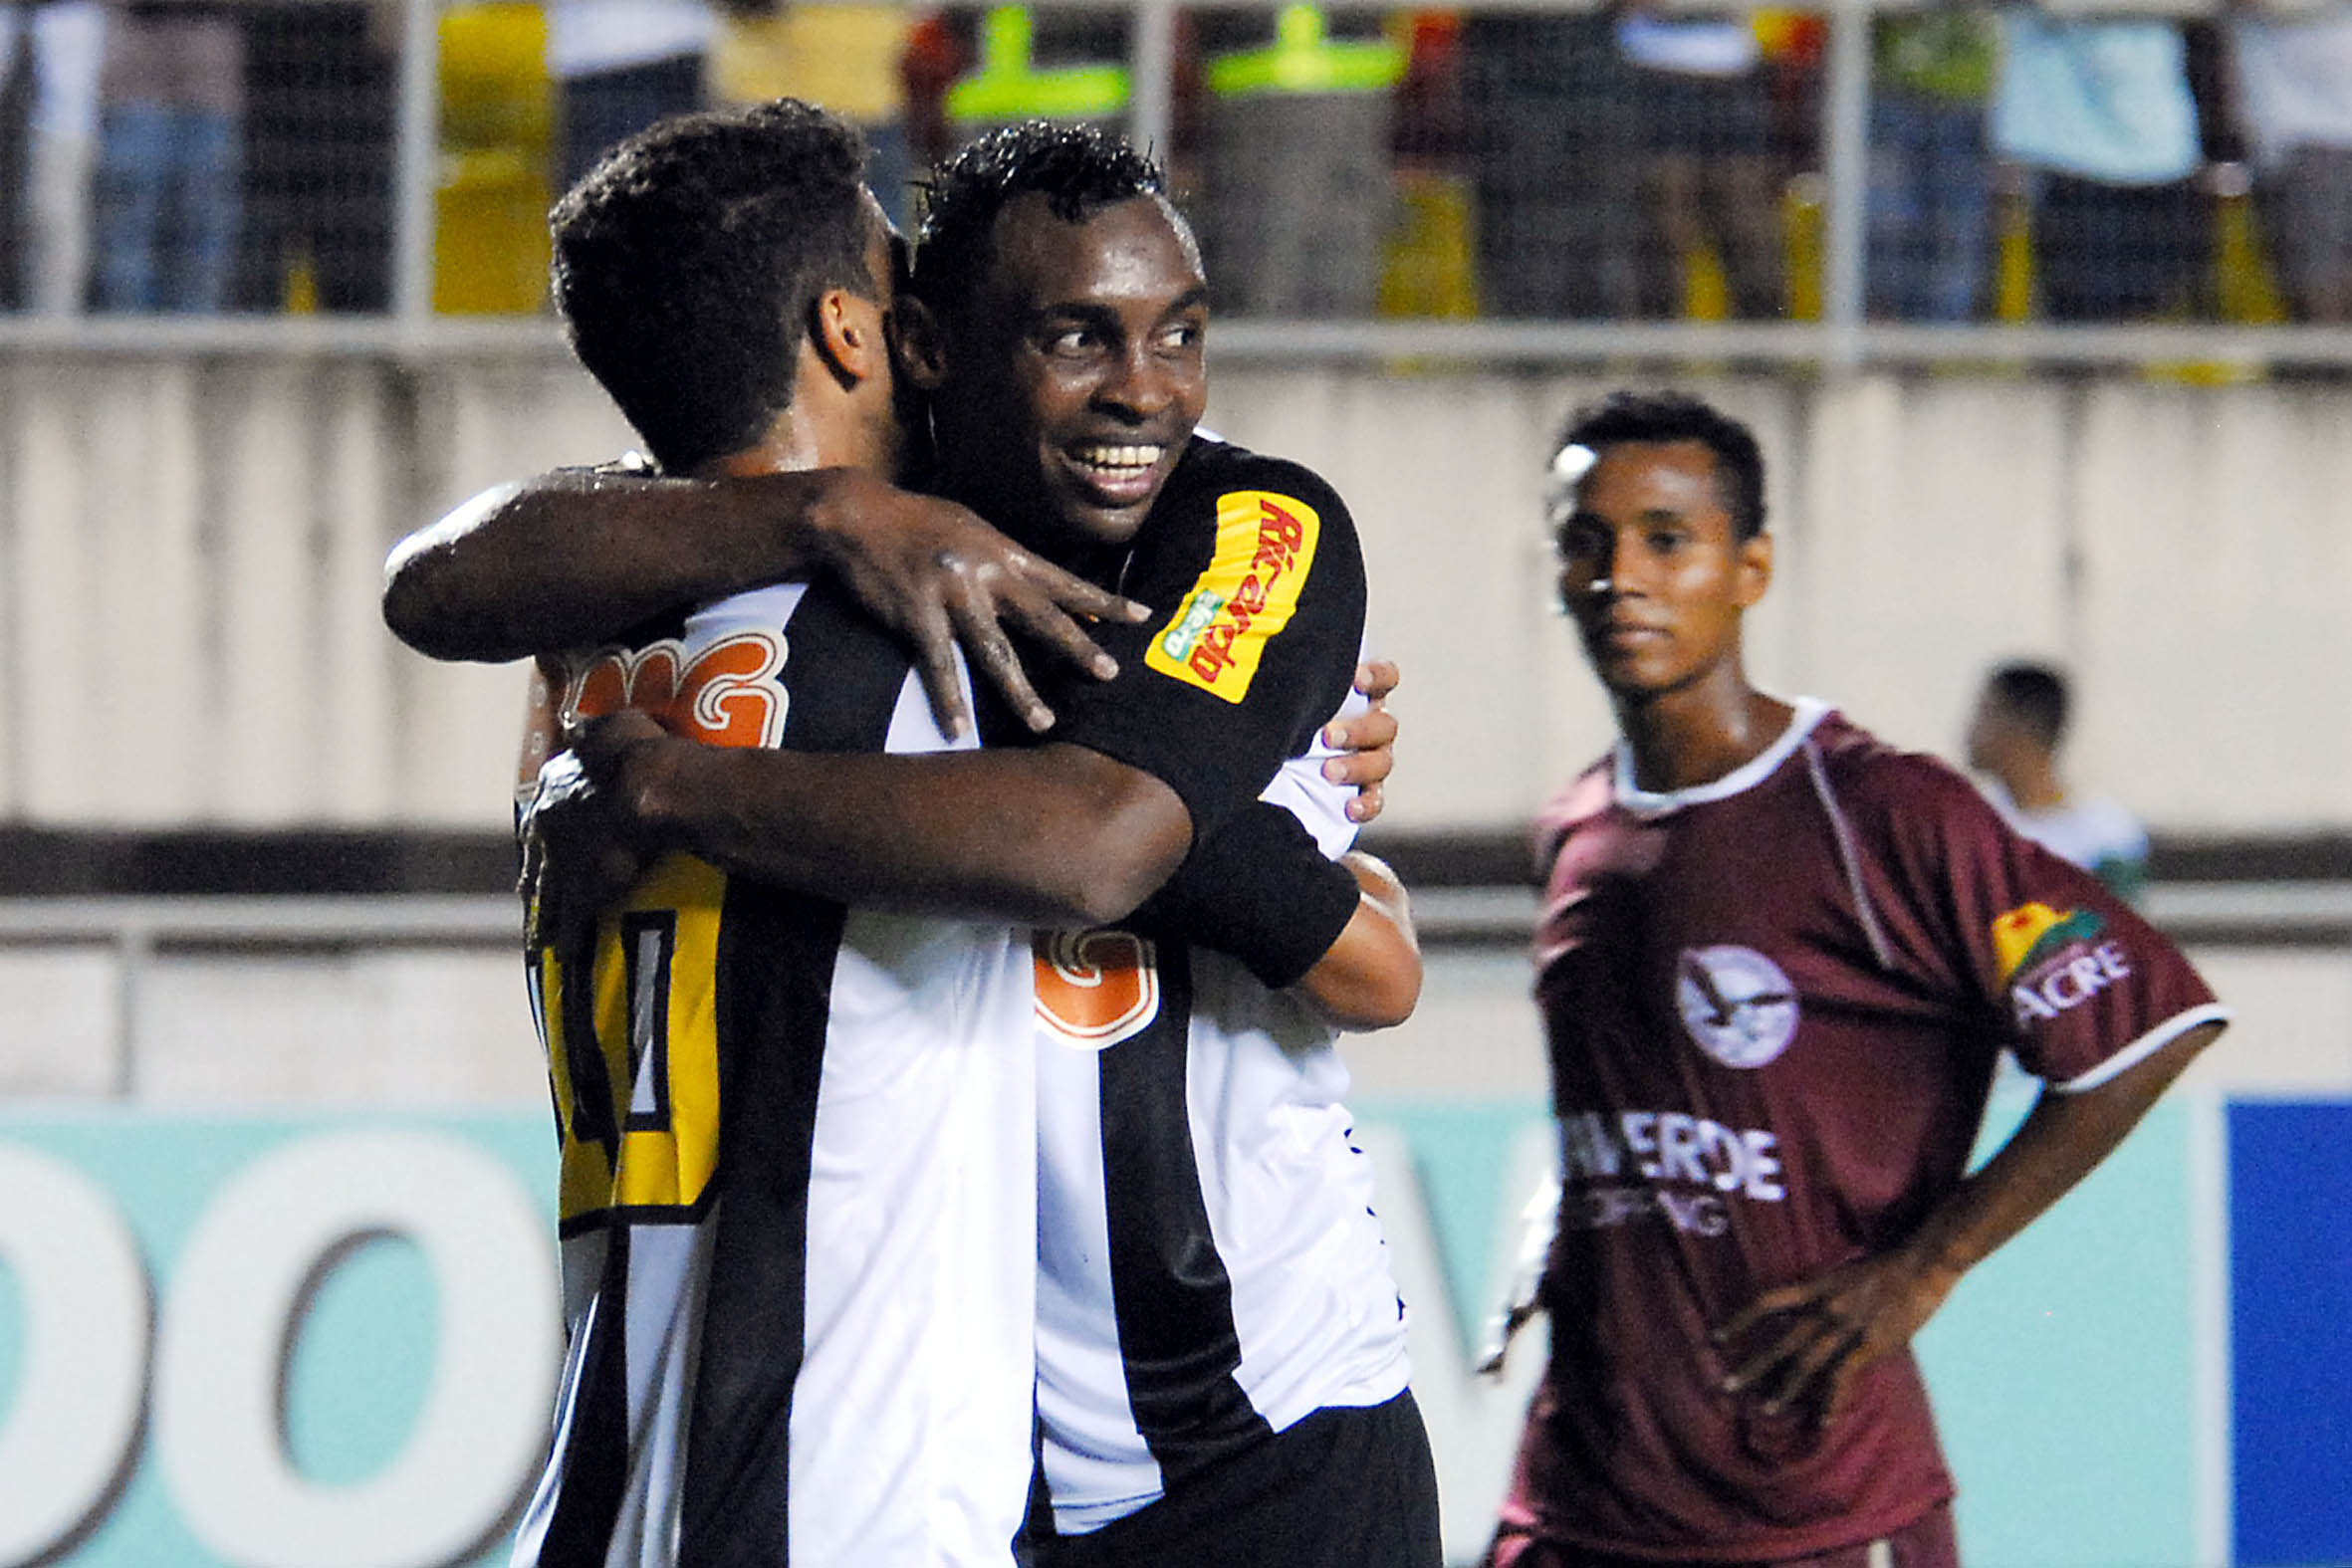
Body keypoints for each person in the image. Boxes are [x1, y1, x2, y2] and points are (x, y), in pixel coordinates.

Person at [385, 117, 1438, 1566]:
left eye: (1180, 333)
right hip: (945, 1467)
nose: (1143, 388)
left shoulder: (1234, 525)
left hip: (1260, 1428)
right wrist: (828, 512)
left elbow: (1160, 864)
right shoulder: (880, 591)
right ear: (893, 339)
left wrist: (662, 784)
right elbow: (440, 579)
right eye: (1073, 335)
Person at [1480, 390, 2229, 1567]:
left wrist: (1927, 1266)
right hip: (1576, 1499)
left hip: (1814, 1506)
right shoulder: (1574, 824)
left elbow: (2151, 1023)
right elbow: (1625, 1090)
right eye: (1588, 542)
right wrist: (1558, 1217)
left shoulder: (1881, 812)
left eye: (1667, 539)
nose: (1622, 576)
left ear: (1750, 567)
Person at [1964, 660, 2150, 905]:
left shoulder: (2107, 834)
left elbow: (2121, 921)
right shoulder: (1970, 825)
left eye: (1985, 713)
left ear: (2021, 726)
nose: (1970, 729)